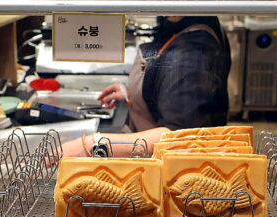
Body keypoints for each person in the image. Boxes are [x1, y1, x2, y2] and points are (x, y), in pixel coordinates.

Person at [62, 16, 231, 157]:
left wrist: (91, 144)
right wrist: (134, 93)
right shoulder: (184, 22)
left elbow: (179, 137)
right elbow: (180, 89)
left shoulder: (191, 51)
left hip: (170, 177)